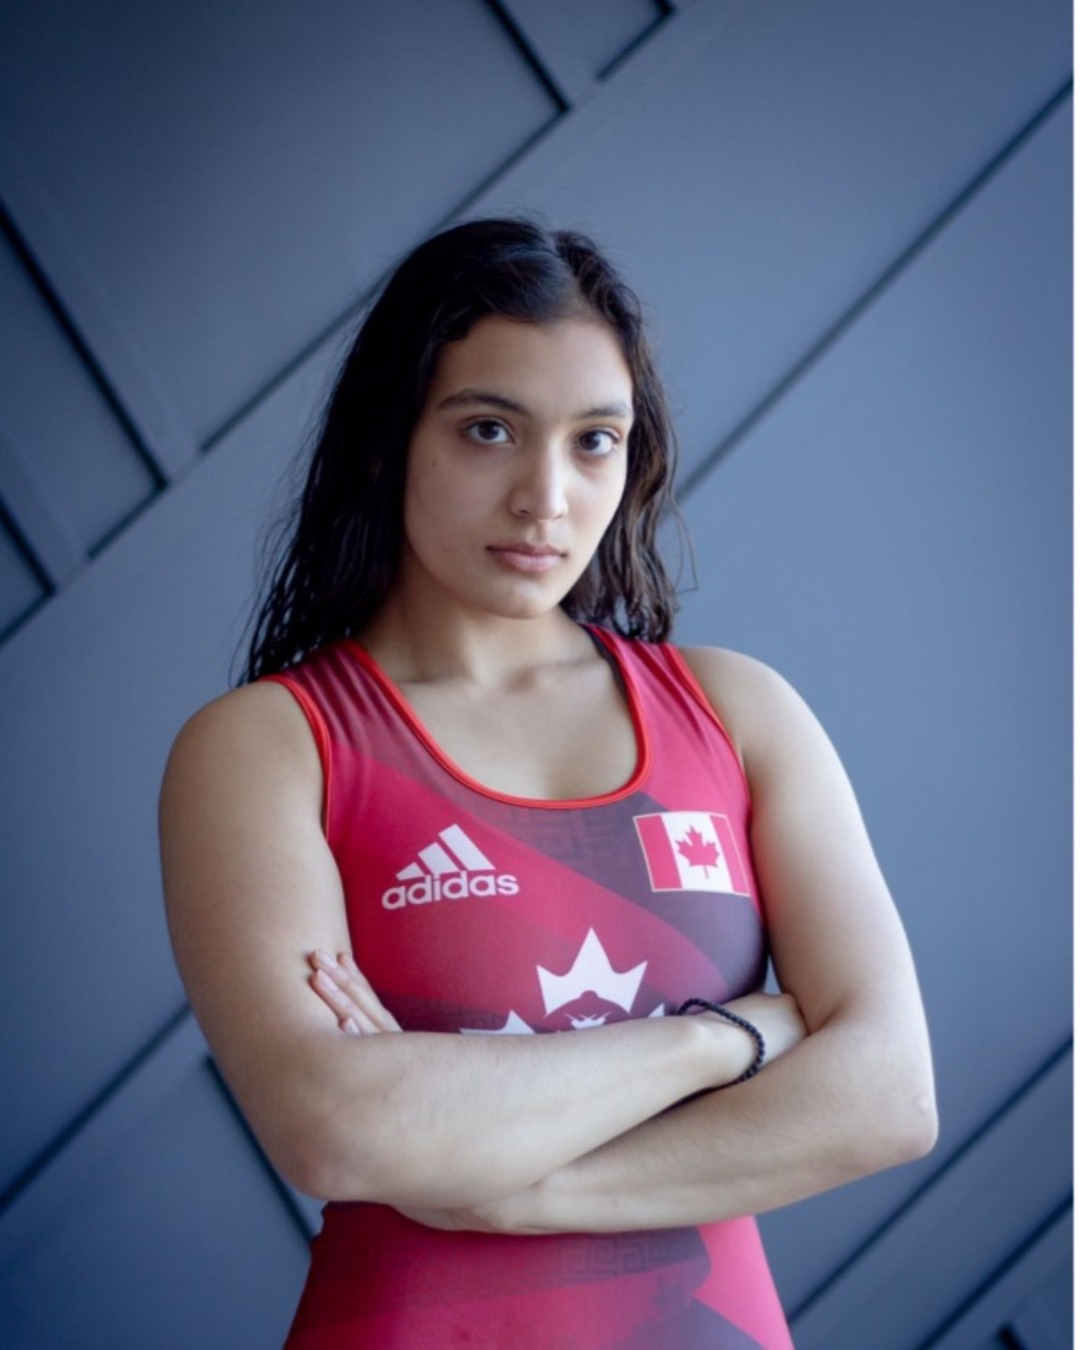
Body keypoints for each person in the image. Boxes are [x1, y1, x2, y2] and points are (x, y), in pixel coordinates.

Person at [159, 217, 937, 1349]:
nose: (546, 497)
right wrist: (721, 1041)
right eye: (489, 430)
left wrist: (510, 1187)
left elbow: (887, 1098)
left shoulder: (737, 711)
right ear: (387, 442)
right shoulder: (268, 747)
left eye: (595, 441)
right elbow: (336, 1129)